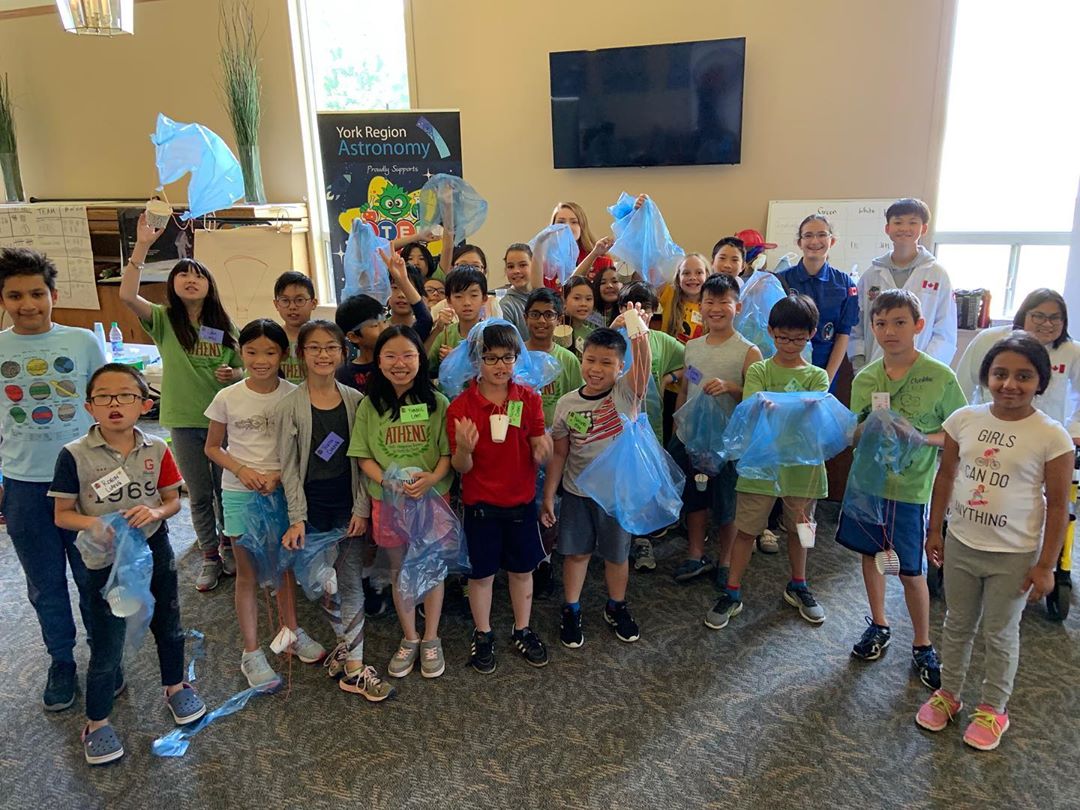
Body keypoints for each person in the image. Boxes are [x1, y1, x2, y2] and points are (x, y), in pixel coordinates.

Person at [917, 332, 1071, 751]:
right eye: (1000, 373)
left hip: (1014, 554)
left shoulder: (1051, 435)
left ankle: (993, 708)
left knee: (1000, 632)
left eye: (1024, 376)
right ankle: (949, 693)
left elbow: (1059, 505)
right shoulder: (964, 420)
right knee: (957, 623)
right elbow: (946, 476)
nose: (1010, 384)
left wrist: (1046, 565)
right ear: (986, 376)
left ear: (1040, 381)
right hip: (963, 543)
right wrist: (935, 530)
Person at [51, 364, 206, 765]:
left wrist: (155, 513)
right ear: (89, 406)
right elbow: (62, 514)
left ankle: (175, 686)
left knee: (168, 623)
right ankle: (97, 722)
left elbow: (172, 500)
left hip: (154, 550)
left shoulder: (157, 448)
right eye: (103, 396)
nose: (115, 403)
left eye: (126, 395)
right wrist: (94, 524)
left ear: (145, 404)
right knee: (107, 640)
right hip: (102, 561)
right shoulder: (74, 455)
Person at [836, 290, 966, 690]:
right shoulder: (867, 378)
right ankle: (879, 623)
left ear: (918, 326)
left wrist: (921, 438)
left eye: (899, 322)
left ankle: (923, 643)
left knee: (911, 569)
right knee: (871, 556)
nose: (889, 331)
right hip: (868, 486)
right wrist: (867, 428)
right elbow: (852, 433)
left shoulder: (940, 377)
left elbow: (959, 435)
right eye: (881, 324)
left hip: (911, 490)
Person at [0, 247, 106, 712]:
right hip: (23, 485)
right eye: (15, 295)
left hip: (83, 482)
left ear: (54, 295)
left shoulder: (83, 342)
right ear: (3, 300)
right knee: (44, 582)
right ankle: (61, 660)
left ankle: (104, 655)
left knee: (92, 576)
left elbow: (109, 408)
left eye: (36, 293)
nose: (27, 304)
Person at [120, 214, 244, 592]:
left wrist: (234, 374)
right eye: (183, 274)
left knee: (226, 491)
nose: (191, 279)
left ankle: (228, 545)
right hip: (185, 420)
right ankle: (209, 554)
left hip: (221, 420)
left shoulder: (224, 325)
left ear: (209, 285)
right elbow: (127, 296)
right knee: (199, 493)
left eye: (198, 275)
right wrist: (142, 245)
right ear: (173, 284)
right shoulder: (163, 320)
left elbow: (246, 368)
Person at [275, 320, 393, 702]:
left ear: (344, 352)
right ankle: (345, 644)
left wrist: (362, 509)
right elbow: (289, 468)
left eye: (331, 347)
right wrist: (297, 518)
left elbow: (363, 460)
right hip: (310, 510)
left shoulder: (356, 402)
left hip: (348, 508)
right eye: (314, 347)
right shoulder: (289, 407)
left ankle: (355, 669)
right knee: (320, 585)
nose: (323, 354)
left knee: (350, 581)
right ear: (301, 354)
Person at [204, 319, 325, 687]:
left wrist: (277, 476)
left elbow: (302, 449)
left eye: (270, 352)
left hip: (283, 491)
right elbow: (213, 447)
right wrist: (242, 470)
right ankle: (252, 652)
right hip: (240, 493)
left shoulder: (294, 395)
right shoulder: (227, 397)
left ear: (284, 355)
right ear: (240, 353)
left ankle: (291, 632)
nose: (260, 360)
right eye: (251, 352)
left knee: (285, 567)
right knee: (248, 573)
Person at [704, 294, 829, 630]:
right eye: (782, 337)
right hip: (760, 463)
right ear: (771, 331)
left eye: (798, 338)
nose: (789, 345)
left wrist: (777, 407)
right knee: (746, 530)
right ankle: (732, 591)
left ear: (811, 334)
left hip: (803, 467)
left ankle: (799, 584)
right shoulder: (759, 370)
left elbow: (815, 413)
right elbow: (752, 407)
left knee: (801, 529)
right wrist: (790, 406)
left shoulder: (817, 376)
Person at [542, 314, 653, 647]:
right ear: (581, 359)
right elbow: (559, 454)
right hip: (577, 493)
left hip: (616, 496)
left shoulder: (625, 394)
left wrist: (637, 330)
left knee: (617, 556)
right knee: (576, 554)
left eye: (607, 363)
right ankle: (571, 608)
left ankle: (616, 606)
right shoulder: (566, 403)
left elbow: (643, 368)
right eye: (590, 360)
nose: (596, 368)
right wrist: (549, 495)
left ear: (621, 368)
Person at [350, 325, 454, 680]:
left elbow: (447, 454)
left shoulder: (437, 403)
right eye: (390, 355)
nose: (400, 363)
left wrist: (433, 478)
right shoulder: (369, 406)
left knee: (433, 568)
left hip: (432, 500)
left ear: (420, 359)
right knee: (400, 569)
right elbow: (363, 456)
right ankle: (409, 636)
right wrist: (386, 481)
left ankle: (431, 637)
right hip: (389, 502)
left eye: (408, 355)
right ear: (378, 361)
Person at [450, 322, 553, 671]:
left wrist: (541, 448)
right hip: (481, 505)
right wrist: (465, 448)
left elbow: (537, 441)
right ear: (475, 361)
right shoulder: (461, 406)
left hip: (521, 502)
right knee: (481, 575)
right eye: (490, 358)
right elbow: (461, 467)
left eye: (507, 357)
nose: (500, 366)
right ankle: (483, 633)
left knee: (523, 571)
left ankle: (522, 628)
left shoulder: (528, 399)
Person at [670, 274, 760, 584]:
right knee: (695, 499)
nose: (716, 308)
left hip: (729, 444)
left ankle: (726, 560)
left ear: (738, 306)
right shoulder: (693, 347)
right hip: (694, 438)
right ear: (701, 306)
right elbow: (686, 389)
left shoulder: (748, 351)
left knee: (727, 504)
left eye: (724, 302)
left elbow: (755, 400)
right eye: (709, 301)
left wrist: (731, 387)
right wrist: (678, 424)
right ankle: (695, 554)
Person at [954, 289, 1080, 443]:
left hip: (1042, 436)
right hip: (990, 431)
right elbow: (962, 385)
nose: (1047, 324)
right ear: (1023, 315)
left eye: (1055, 318)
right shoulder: (989, 339)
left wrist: (1074, 431)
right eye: (1039, 316)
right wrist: (961, 426)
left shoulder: (1072, 351)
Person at [522, 288, 584, 597]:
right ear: (525, 318)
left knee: (550, 505)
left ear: (559, 319)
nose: (541, 321)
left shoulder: (568, 360)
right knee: (525, 504)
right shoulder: (516, 356)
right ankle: (525, 558)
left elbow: (578, 404)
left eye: (549, 315)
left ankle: (544, 561)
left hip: (558, 447)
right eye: (535, 314)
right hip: (521, 446)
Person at [849, 198, 957, 369]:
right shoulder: (871, 275)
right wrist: (859, 364)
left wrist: (926, 369)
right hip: (875, 368)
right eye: (898, 222)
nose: (905, 228)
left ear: (924, 228)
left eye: (912, 222)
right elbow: (857, 326)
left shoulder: (937, 275)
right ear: (887, 228)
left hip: (921, 372)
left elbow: (945, 331)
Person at [777, 214, 859, 387]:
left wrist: (827, 379)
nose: (815, 241)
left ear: (832, 241)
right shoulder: (781, 280)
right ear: (799, 242)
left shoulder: (844, 283)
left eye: (822, 235)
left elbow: (843, 333)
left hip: (826, 369)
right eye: (808, 235)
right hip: (785, 369)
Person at [658, 252, 712, 442]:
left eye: (699, 272)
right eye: (686, 273)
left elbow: (705, 357)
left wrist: (675, 376)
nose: (692, 277)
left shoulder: (711, 308)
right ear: (678, 277)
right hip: (667, 387)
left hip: (694, 385)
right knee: (665, 436)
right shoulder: (669, 295)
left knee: (685, 439)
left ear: (707, 275)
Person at [426, 266, 488, 376]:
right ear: (449, 300)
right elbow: (426, 367)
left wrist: (457, 361)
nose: (467, 302)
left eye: (473, 295)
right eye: (458, 296)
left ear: (484, 299)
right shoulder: (445, 334)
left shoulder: (492, 335)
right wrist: (437, 329)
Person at [334, 292, 388, 395]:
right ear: (353, 337)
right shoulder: (344, 374)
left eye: (384, 321)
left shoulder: (396, 362)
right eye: (375, 325)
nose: (384, 329)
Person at [272, 270, 318, 385]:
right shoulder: (272, 338)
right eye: (285, 301)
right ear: (276, 304)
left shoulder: (323, 338)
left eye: (299, 300)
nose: (292, 307)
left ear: (313, 303)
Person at [551, 201, 615, 283]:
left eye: (574, 222)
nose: (567, 227)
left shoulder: (602, 261)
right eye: (561, 222)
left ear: (582, 227)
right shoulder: (543, 263)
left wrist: (593, 254)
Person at [386, 252, 433, 341]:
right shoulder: (379, 328)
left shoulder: (421, 328)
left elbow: (426, 320)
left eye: (407, 289)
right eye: (395, 288)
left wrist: (404, 280)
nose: (401, 295)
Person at [498, 242, 538, 338]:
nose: (516, 271)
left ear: (534, 265)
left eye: (522, 265)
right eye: (511, 267)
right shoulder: (506, 306)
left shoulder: (544, 296)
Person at [562, 276, 597, 359]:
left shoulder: (593, 335)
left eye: (588, 299)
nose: (583, 304)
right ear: (564, 301)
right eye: (577, 298)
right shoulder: (555, 331)